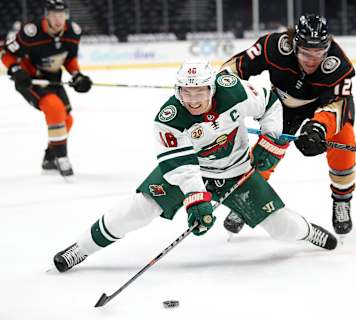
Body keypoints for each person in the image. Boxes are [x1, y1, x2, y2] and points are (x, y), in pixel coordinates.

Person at [52, 60, 337, 272]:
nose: (192, 100)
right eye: (186, 92)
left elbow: (270, 104)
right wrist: (196, 199)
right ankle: (81, 248)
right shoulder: (169, 117)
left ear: (211, 87)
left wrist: (270, 139)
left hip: (236, 171)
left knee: (281, 227)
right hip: (194, 171)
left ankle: (307, 231)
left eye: (199, 92)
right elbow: (180, 165)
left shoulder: (234, 91)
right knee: (138, 208)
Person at [221, 14, 356, 237]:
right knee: (269, 147)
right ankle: (249, 196)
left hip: (325, 107)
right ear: (295, 45)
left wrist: (318, 127)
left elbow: (337, 105)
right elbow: (238, 66)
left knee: (344, 141)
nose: (312, 60)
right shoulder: (274, 46)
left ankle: (342, 199)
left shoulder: (340, 65)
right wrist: (221, 88)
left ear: (327, 47)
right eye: (305, 53)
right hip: (284, 103)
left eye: (319, 53)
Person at [1, 0, 92, 176]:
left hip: (52, 80)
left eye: (61, 15)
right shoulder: (31, 32)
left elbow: (69, 58)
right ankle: (62, 158)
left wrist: (77, 75)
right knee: (54, 107)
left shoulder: (73, 32)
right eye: (54, 15)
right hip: (30, 80)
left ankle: (49, 158)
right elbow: (6, 52)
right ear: (46, 15)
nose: (58, 19)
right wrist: (16, 70)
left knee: (67, 121)